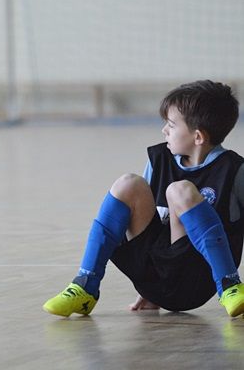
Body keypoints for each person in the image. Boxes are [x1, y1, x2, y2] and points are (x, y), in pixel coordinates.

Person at [43, 80, 244, 318]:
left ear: (198, 136)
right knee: (129, 183)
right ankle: (85, 285)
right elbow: (146, 220)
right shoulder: (159, 160)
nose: (164, 130)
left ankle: (229, 285)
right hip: (154, 277)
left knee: (179, 191)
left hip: (197, 281)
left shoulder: (234, 170)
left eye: (171, 125)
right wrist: (149, 289)